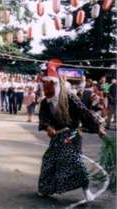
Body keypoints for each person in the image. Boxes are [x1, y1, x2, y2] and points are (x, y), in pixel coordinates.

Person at [37, 66, 105, 202]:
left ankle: (86, 190)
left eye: (49, 89)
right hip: (57, 137)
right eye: (45, 90)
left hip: (72, 135)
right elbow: (43, 119)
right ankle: (45, 188)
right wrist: (48, 127)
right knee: (48, 162)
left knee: (74, 161)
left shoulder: (70, 97)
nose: (46, 92)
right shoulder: (45, 102)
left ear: (55, 86)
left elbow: (84, 113)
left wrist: (98, 128)